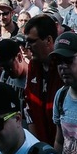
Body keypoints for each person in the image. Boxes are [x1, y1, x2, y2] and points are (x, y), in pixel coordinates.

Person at [23, 13, 64, 145]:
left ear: (48, 40)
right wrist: (37, 146)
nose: (27, 47)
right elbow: (29, 107)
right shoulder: (33, 66)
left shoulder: (64, 68)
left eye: (32, 41)